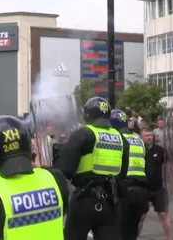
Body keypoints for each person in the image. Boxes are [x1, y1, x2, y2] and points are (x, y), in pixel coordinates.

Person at [56, 98, 128, 240]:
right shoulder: (120, 138)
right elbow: (122, 173)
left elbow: (64, 167)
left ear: (87, 115)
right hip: (109, 201)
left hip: (84, 198)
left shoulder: (84, 133)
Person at [110, 109, 149, 240]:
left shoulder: (116, 138)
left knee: (119, 232)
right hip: (142, 192)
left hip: (125, 191)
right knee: (132, 234)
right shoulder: (138, 138)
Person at [141, 128, 173, 240]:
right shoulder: (138, 150)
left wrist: (170, 180)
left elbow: (167, 164)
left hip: (158, 188)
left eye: (151, 135)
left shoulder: (160, 150)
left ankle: (170, 238)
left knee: (163, 214)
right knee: (140, 217)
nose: (149, 137)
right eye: (146, 135)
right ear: (141, 137)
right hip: (143, 188)